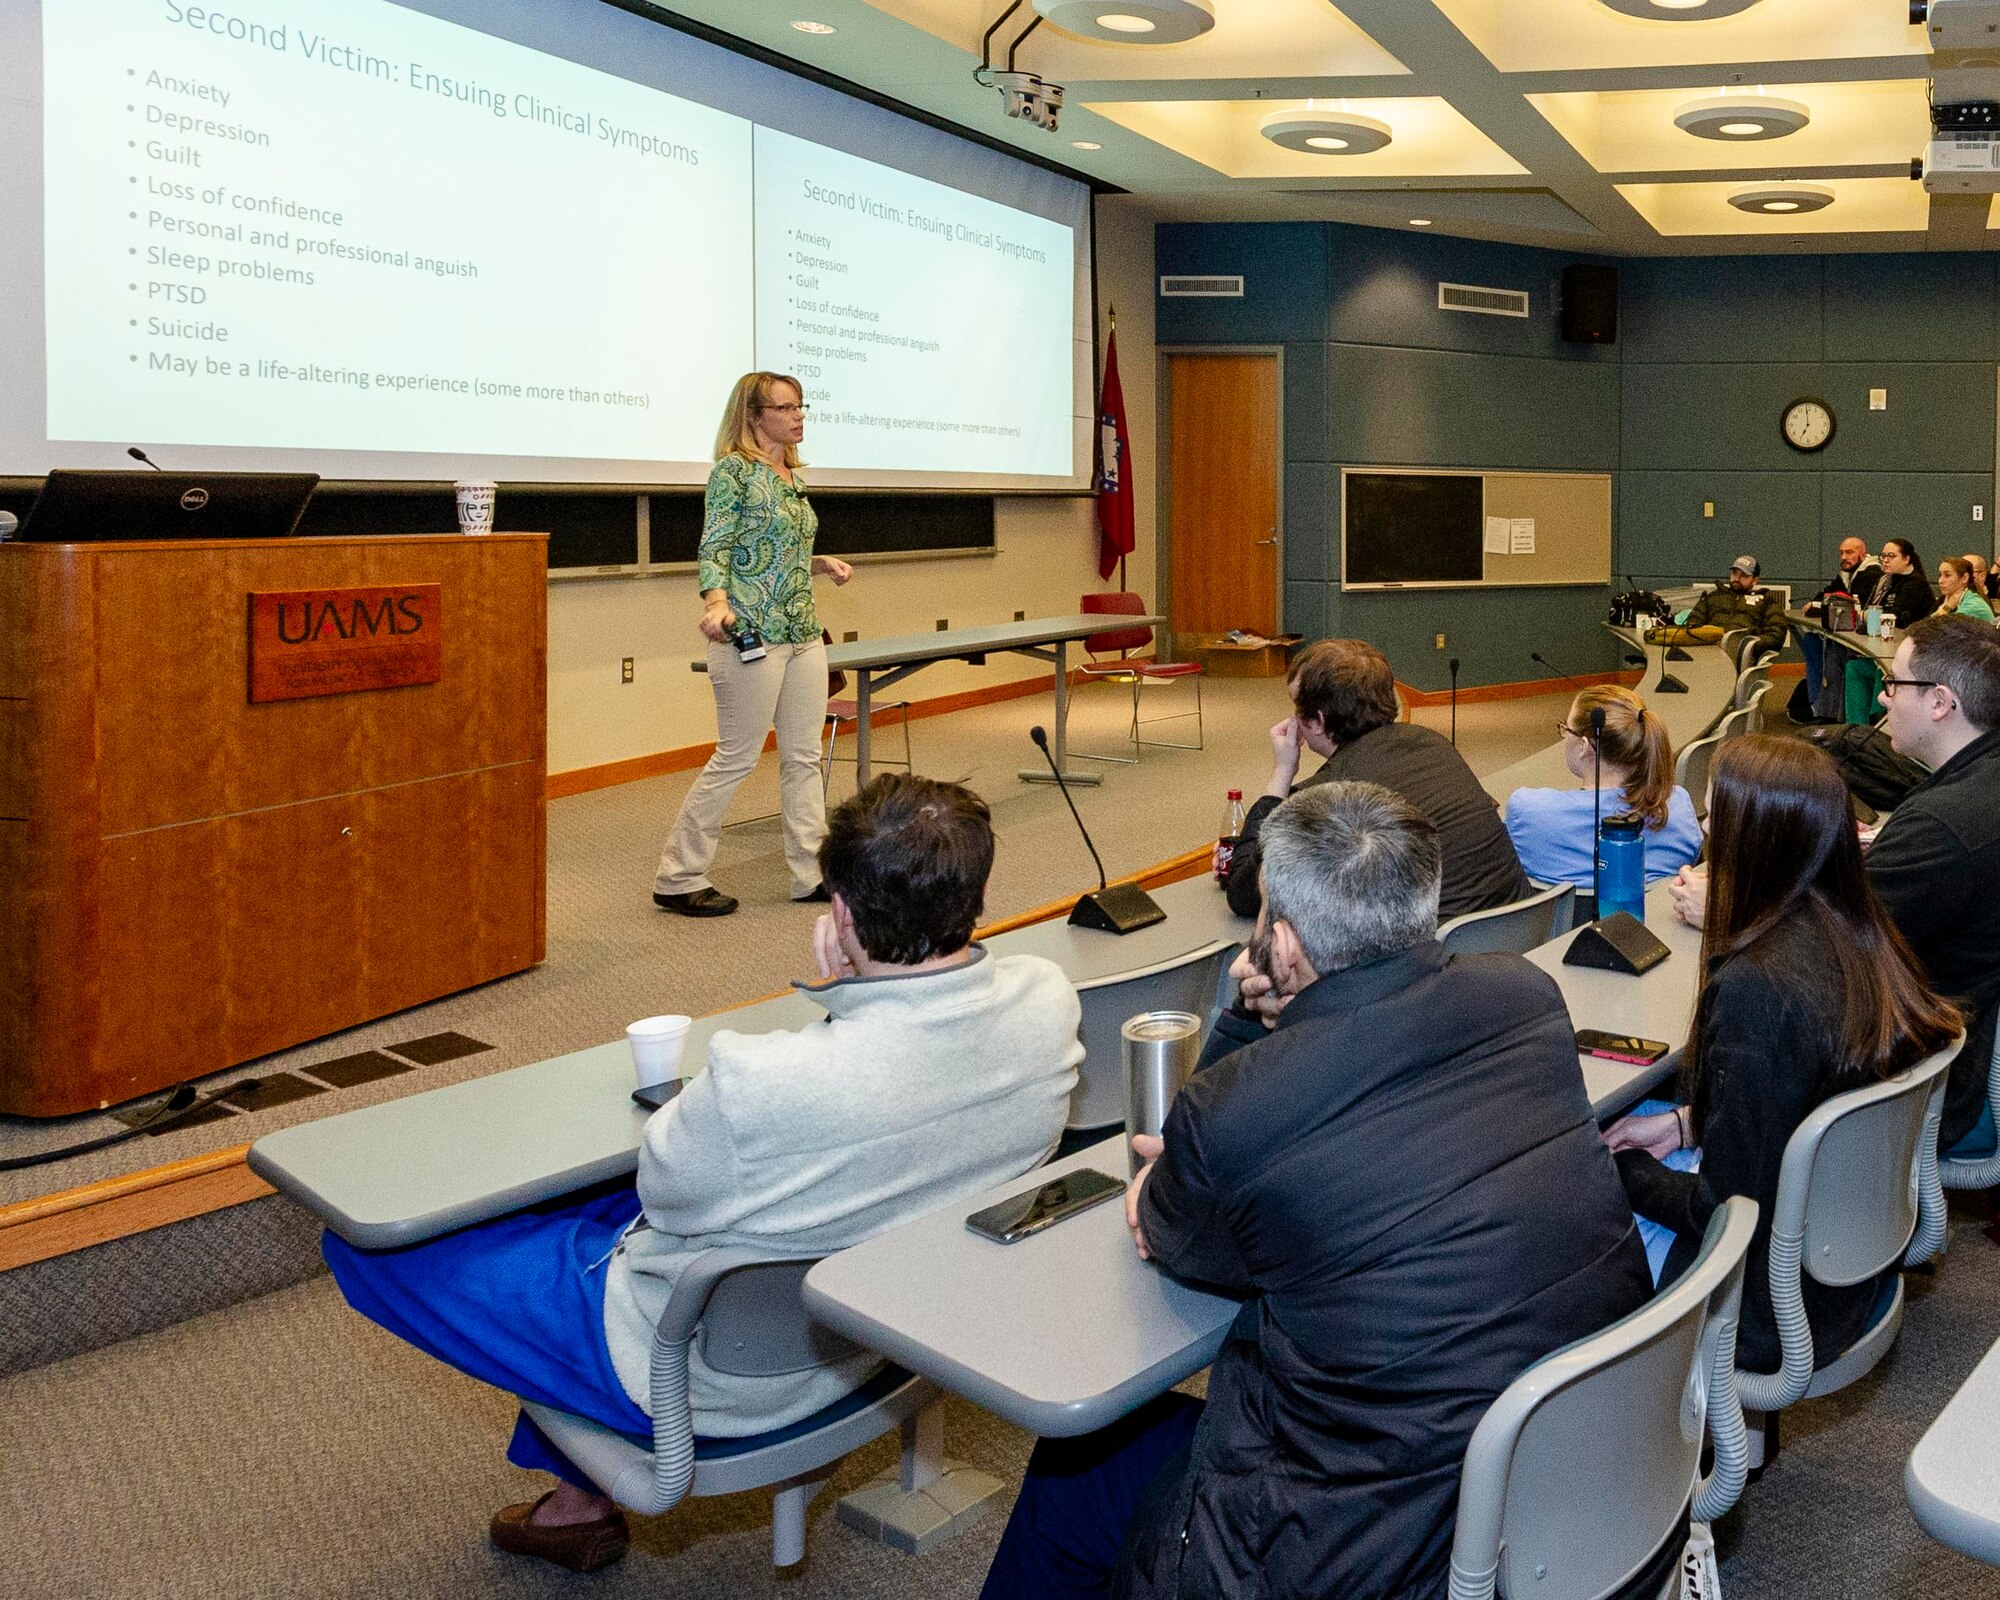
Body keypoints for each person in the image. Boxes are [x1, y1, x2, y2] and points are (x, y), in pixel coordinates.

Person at [325, 774, 1085, 1573]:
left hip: (706, 1377)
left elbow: (663, 1192)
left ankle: (586, 1454)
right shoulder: (1045, 1003)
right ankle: (579, 1503)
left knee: (369, 1240)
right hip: (884, 1334)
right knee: (582, 1214)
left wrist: (841, 996)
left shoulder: (762, 1082)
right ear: (982, 894)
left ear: (842, 916)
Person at [984, 782, 1659, 1600]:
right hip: (1571, 1479)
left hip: (1362, 1554)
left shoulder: (1242, 1108)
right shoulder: (1524, 995)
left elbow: (1170, 1233)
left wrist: (1231, 1041)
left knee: (1076, 1468)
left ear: (1287, 945)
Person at [1609, 737, 1958, 1380]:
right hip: (1841, 1259)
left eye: (1716, 817)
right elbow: (1804, 1091)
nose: (1705, 831)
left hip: (1766, 1301)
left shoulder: (1757, 988)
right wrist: (1685, 1122)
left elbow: (1727, 1208)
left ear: (1755, 841)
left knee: (1559, 1219)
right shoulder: (1860, 933)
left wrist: (1619, 1170)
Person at [1665, 616, 2000, 1152]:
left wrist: (1732, 904)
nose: (1884, 699)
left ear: (1940, 702)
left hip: (1921, 1081)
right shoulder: (1975, 785)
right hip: (1938, 1034)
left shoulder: (1944, 827)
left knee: (1700, 1051)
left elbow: (1829, 941)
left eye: (1894, 683)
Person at [652, 371, 854, 916]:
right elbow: (716, 547)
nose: (799, 416)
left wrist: (819, 562)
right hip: (753, 636)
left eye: (801, 407)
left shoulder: (791, 476)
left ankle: (809, 873)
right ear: (754, 415)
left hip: (804, 633)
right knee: (737, 757)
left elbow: (772, 552)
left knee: (804, 757)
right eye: (786, 409)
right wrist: (715, 601)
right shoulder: (734, 474)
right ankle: (678, 876)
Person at [1218, 638, 1530, 920]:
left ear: (1318, 721)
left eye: (1297, 708)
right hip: (1522, 924)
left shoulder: (1327, 794)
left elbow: (1243, 893)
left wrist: (1282, 773)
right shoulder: (1431, 742)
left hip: (1436, 959)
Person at [1504, 684, 1703, 891]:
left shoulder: (1528, 811)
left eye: (1566, 728)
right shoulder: (1678, 806)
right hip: (1651, 922)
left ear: (1583, 746)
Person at [1799, 537, 1886, 715]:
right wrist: (1819, 604)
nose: (1844, 557)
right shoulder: (1846, 574)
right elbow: (1826, 595)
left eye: (1850, 552)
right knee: (1811, 640)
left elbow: (1847, 607)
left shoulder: (1871, 574)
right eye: (1841, 553)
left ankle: (1828, 710)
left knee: (1834, 652)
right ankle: (1819, 706)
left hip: (1864, 637)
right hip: (1847, 633)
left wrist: (1818, 607)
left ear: (1863, 554)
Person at [1653, 554, 1788, 656]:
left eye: (1744, 575)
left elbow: (1776, 636)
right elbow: (1692, 624)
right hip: (1707, 653)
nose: (1737, 578)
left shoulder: (1767, 602)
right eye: (1734, 573)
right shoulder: (1713, 597)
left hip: (1740, 656)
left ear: (1755, 580)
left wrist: (1744, 644)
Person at [1876, 537, 1935, 630]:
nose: (1885, 560)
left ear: (1906, 559)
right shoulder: (1888, 580)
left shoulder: (1915, 584)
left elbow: (1895, 618)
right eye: (1883, 555)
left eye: (1891, 556)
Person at [1936, 556, 1995, 623]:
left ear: (1964, 578)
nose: (1940, 581)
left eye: (1947, 575)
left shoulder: (1972, 605)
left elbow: (1935, 630)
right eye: (1940, 575)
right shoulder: (1946, 598)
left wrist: (1946, 608)